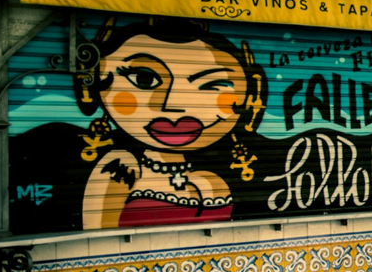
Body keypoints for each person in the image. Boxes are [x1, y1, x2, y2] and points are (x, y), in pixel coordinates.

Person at [75, 17, 266, 229]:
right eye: (144, 80)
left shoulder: (210, 181)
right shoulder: (120, 168)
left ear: (250, 94)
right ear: (91, 80)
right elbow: (96, 236)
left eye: (212, 85)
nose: (173, 104)